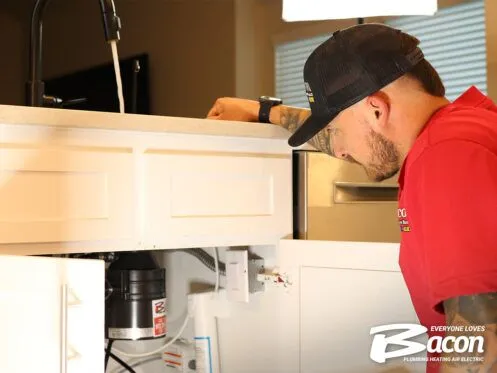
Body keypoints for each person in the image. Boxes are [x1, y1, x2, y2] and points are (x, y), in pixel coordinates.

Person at [207, 23, 497, 373]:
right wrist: (263, 111)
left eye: (337, 131)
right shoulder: (466, 129)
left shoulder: (445, 159)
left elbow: (482, 342)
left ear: (376, 110)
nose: (339, 150)